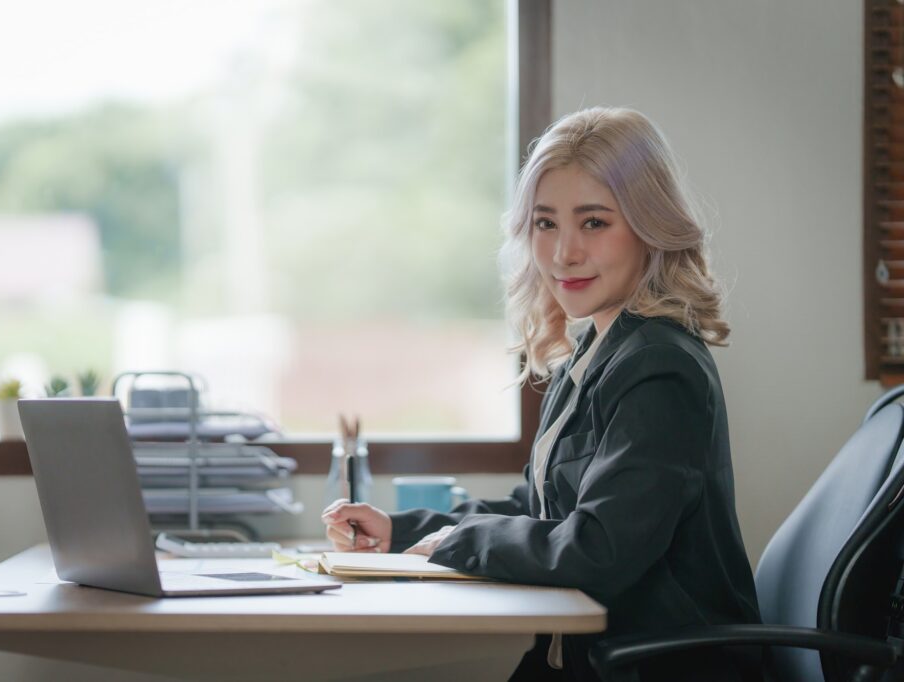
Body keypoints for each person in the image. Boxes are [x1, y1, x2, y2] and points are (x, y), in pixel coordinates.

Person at [321, 107, 761, 681]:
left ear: (650, 226)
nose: (562, 253)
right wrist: (403, 529)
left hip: (652, 669)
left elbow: (599, 549)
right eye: (545, 223)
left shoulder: (659, 367)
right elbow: (537, 509)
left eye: (595, 222)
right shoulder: (593, 353)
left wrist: (462, 540)